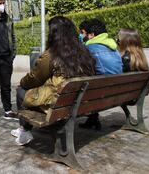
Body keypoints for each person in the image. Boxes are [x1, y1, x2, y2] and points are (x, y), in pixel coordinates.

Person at [12, 16, 96, 145]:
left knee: (21, 91)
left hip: (59, 104)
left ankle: (24, 130)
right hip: (80, 102)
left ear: (54, 34)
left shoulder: (52, 54)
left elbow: (35, 78)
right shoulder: (84, 51)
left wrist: (22, 83)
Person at [79, 18, 123, 130]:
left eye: (87, 34)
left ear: (92, 35)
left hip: (101, 94)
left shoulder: (89, 48)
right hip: (119, 92)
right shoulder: (114, 48)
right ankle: (92, 119)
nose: (85, 36)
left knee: (80, 86)